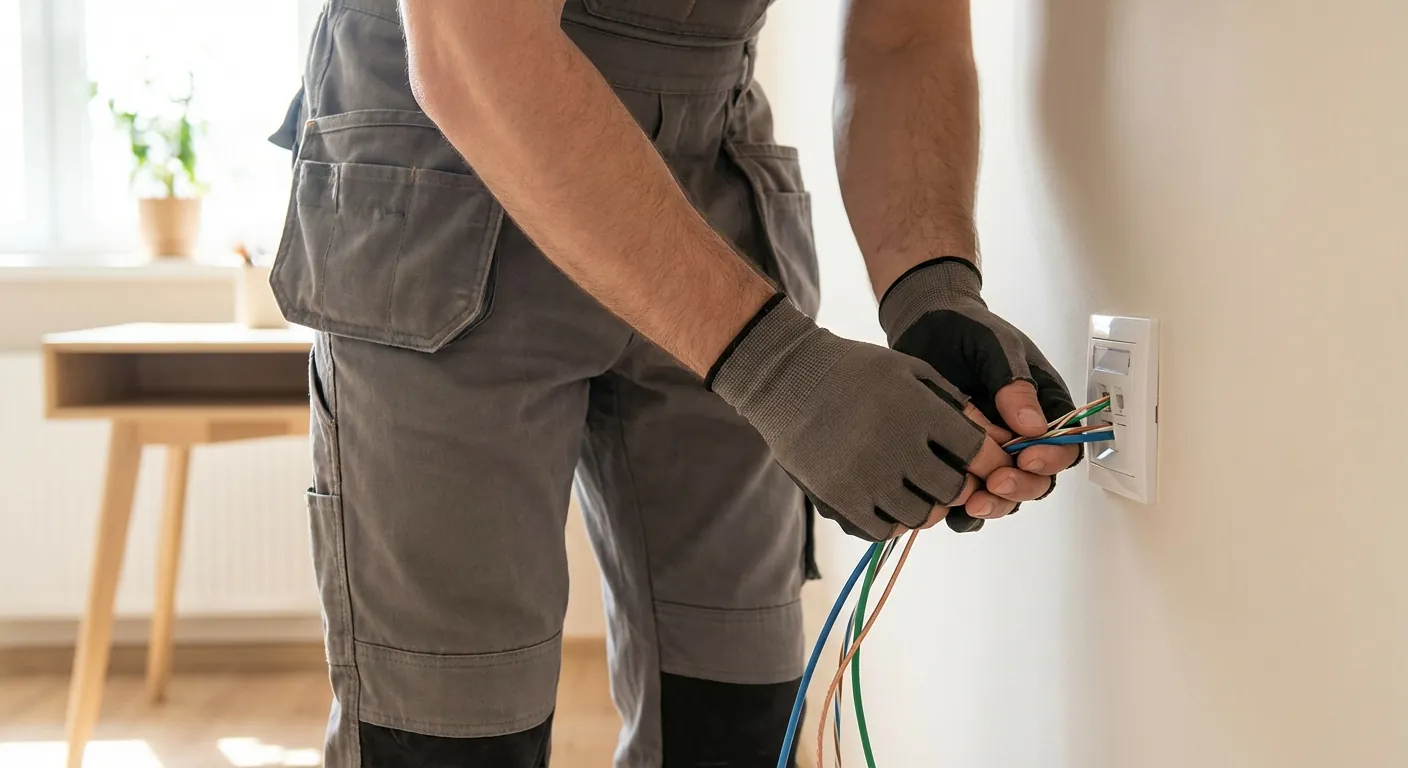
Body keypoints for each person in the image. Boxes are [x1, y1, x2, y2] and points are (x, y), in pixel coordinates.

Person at [267, 0, 1080, 765]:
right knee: (450, 733)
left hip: (714, 162)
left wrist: (932, 289)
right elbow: (472, 46)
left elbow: (905, 36)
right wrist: (782, 370)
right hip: (450, 149)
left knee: (735, 710)